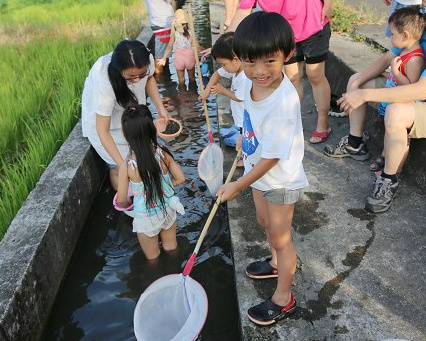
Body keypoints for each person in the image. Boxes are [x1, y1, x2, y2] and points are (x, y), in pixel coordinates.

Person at [217, 12, 308, 326]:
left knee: (282, 238)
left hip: (279, 179)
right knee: (262, 220)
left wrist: (239, 184)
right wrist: (244, 137)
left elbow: (272, 157)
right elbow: (248, 113)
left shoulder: (284, 103)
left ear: (287, 54)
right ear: (239, 58)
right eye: (250, 61)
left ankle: (284, 298)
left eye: (270, 61)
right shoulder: (249, 81)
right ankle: (274, 262)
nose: (259, 71)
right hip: (258, 171)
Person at [324, 4, 426, 213]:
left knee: (396, 112)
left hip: (419, 97)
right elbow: (387, 58)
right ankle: (354, 143)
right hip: (410, 90)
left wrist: (364, 95)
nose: (422, 4)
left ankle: (389, 180)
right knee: (357, 82)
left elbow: (419, 91)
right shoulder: (420, 21)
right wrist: (356, 84)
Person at [227, 0, 334, 144]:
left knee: (315, 75)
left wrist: (328, 3)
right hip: (283, 34)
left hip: (314, 23)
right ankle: (293, 120)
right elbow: (243, 10)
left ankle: (323, 122)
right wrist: (224, 43)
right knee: (292, 78)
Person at [81, 40, 169, 190]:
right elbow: (103, 130)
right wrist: (122, 166)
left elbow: (149, 79)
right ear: (119, 70)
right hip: (107, 127)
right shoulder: (105, 81)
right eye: (130, 77)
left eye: (140, 74)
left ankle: (143, 194)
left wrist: (161, 108)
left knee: (141, 156)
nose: (136, 80)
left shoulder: (145, 59)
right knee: (118, 167)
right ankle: (125, 202)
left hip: (132, 118)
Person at [117, 104, 185, 259]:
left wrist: (128, 202)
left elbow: (121, 201)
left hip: (146, 219)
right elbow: (181, 178)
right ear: (152, 129)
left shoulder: (127, 167)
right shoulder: (163, 154)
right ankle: (176, 274)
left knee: (153, 258)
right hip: (168, 210)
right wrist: (164, 186)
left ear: (126, 135)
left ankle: (157, 278)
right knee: (171, 249)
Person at [200, 32, 247, 151]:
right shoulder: (235, 69)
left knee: (246, 140)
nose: (223, 68)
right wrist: (206, 90)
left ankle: (244, 157)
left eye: (224, 64)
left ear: (235, 59)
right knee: (243, 137)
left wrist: (222, 90)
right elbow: (217, 74)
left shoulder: (245, 77)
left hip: (245, 119)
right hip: (240, 117)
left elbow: (239, 97)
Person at [157, 9, 200, 84]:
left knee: (181, 80)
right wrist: (201, 55)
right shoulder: (191, 33)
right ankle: (193, 93)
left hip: (178, 59)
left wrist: (164, 58)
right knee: (192, 78)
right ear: (187, 23)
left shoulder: (175, 34)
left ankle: (182, 94)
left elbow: (169, 47)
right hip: (189, 58)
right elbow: (197, 47)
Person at [142, 0, 175, 73]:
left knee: (164, 55)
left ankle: (165, 79)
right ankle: (159, 81)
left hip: (159, 22)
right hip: (163, 23)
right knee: (160, 58)